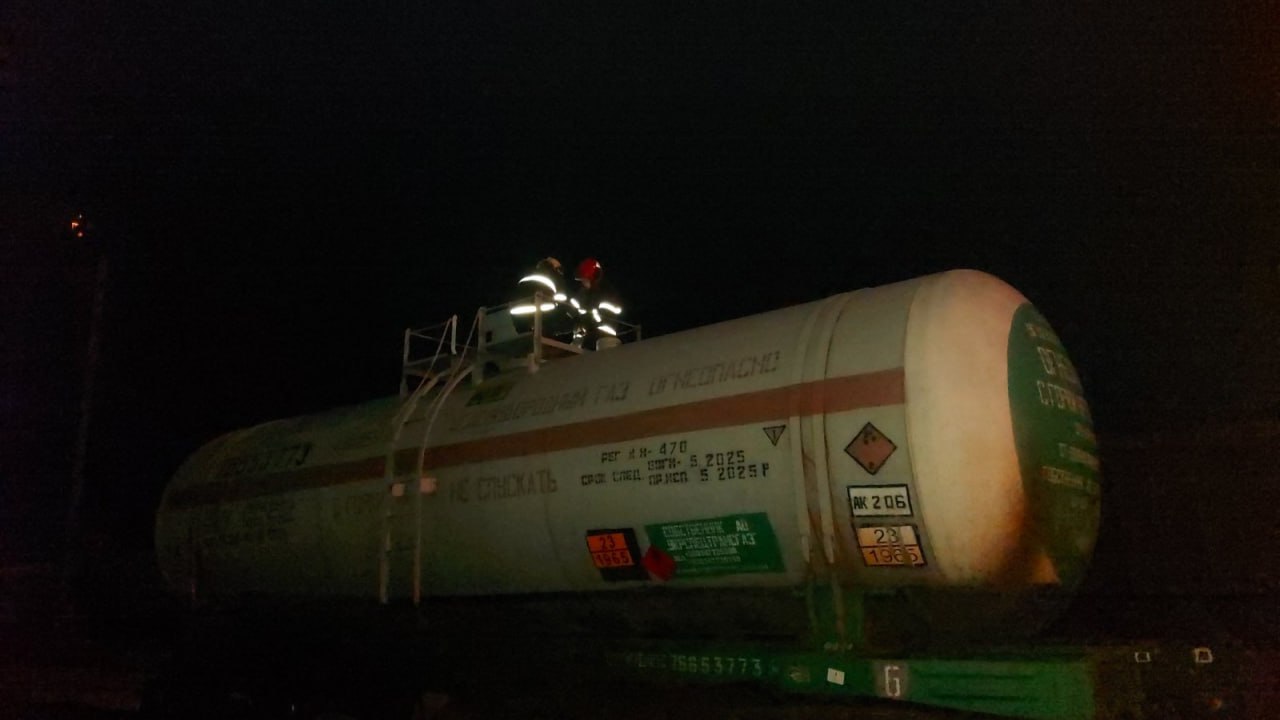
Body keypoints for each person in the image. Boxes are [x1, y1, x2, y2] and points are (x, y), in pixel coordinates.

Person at [569, 257, 624, 349]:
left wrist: (585, 321)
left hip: (603, 338)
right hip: (587, 338)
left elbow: (603, 317)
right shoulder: (582, 295)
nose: (583, 283)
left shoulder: (607, 294)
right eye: (582, 280)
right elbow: (574, 314)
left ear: (593, 278)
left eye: (585, 279)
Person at [510, 257, 571, 337]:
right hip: (542, 311)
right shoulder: (554, 275)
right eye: (559, 269)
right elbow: (561, 297)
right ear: (554, 268)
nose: (561, 272)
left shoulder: (527, 274)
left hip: (519, 313)